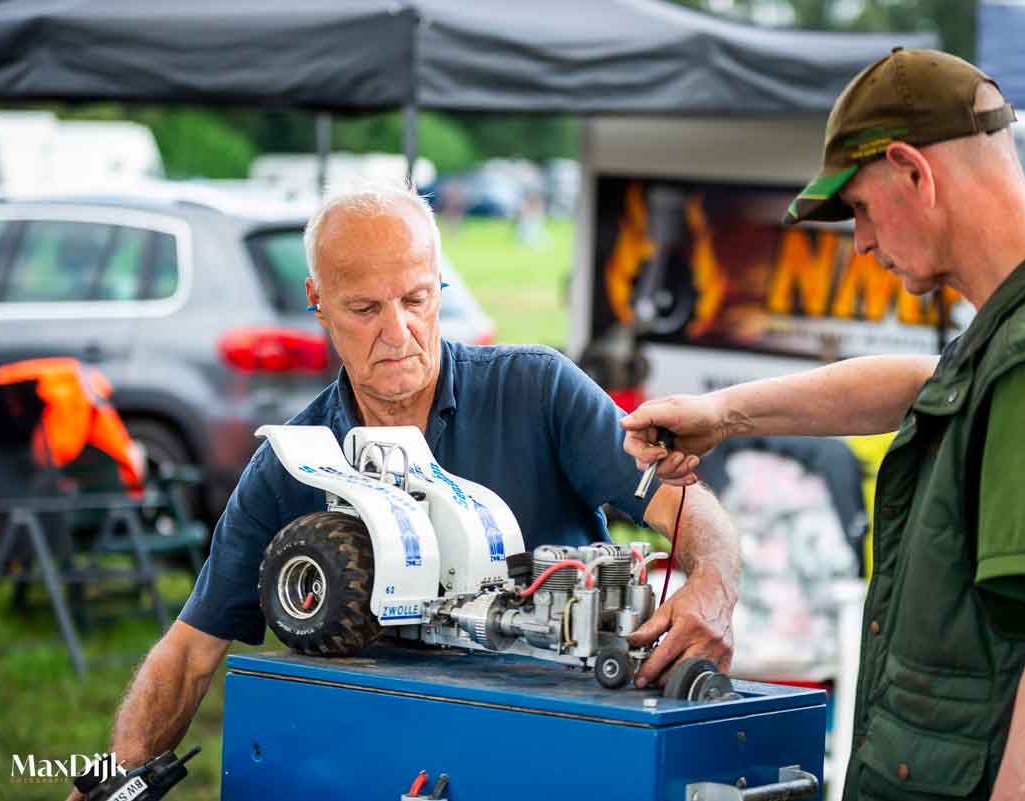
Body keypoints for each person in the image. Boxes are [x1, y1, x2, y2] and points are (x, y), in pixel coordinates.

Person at [623, 48, 1025, 800]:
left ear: (913, 171)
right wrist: (724, 413)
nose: (860, 243)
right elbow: (927, 382)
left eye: (860, 207)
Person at [68, 185, 739, 798]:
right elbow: (188, 652)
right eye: (364, 308)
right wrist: (106, 782)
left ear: (439, 287)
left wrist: (712, 581)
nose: (398, 332)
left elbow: (687, 507)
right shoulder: (295, 463)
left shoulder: (538, 390)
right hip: (389, 758)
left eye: (416, 299)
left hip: (560, 749)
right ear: (318, 301)